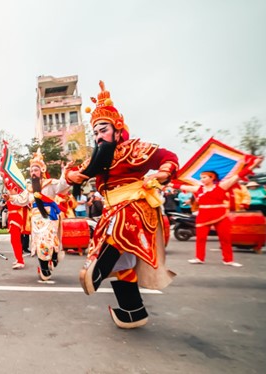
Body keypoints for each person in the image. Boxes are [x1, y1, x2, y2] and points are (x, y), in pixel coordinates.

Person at [66, 80, 178, 328]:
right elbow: (78, 172)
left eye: (103, 130)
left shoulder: (134, 148)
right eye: (95, 133)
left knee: (119, 226)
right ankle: (133, 312)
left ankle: (96, 269)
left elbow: (168, 157)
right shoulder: (98, 157)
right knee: (123, 264)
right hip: (110, 209)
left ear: (118, 129)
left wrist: (163, 172)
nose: (98, 137)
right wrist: (70, 176)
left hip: (134, 206)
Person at [9, 149, 70, 282]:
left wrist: (65, 172)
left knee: (47, 242)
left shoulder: (50, 184)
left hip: (50, 216)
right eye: (31, 171)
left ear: (42, 170)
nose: (33, 173)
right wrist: (10, 197)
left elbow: (62, 185)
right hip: (36, 219)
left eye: (35, 170)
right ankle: (45, 269)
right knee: (38, 244)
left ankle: (53, 258)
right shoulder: (29, 188)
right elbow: (21, 199)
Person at [181, 170, 250, 267]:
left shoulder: (221, 186)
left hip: (220, 216)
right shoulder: (199, 189)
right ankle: (199, 258)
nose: (202, 180)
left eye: (204, 177)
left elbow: (237, 176)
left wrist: (254, 164)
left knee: (225, 238)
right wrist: (165, 183)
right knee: (200, 238)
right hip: (203, 217)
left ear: (212, 177)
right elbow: (180, 186)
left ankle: (228, 260)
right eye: (201, 178)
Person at [5, 194, 29, 269]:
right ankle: (18, 258)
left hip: (16, 218)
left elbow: (21, 205)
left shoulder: (19, 199)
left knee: (16, 240)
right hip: (12, 218)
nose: (9, 190)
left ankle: (20, 261)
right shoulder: (13, 197)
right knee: (14, 241)